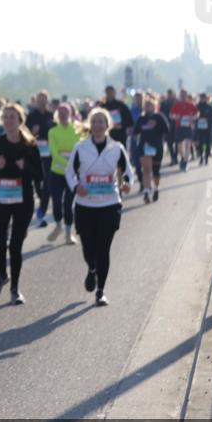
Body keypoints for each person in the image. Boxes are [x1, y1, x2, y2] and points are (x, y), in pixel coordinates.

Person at [65, 108, 135, 306]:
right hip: (85, 204)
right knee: (88, 247)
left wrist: (128, 183)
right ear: (89, 124)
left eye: (101, 122)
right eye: (94, 121)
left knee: (103, 248)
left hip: (109, 203)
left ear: (107, 125)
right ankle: (92, 269)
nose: (97, 125)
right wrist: (76, 186)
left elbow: (128, 171)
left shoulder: (116, 148)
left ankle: (101, 290)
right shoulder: (80, 148)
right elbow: (69, 172)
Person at [0, 104, 43, 304]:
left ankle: (15, 289)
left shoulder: (30, 144)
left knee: (15, 246)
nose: (9, 120)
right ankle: (3, 275)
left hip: (23, 200)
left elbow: (40, 175)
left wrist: (25, 167)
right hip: (1, 199)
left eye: (13, 117)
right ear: (2, 120)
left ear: (20, 120)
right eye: (6, 117)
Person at [46, 103, 82, 244]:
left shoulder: (78, 130)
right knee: (56, 203)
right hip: (57, 172)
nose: (62, 115)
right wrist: (69, 164)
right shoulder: (53, 132)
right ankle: (58, 226)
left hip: (73, 174)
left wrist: (75, 167)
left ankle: (68, 234)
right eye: (60, 113)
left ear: (71, 114)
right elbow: (54, 152)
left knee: (68, 204)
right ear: (56, 115)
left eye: (65, 112)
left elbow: (81, 149)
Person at [26, 90, 55, 228]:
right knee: (38, 183)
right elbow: (25, 135)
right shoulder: (31, 117)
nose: (42, 102)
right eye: (40, 99)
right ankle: (41, 201)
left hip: (49, 153)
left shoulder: (51, 116)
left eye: (44, 99)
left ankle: (41, 211)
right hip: (35, 152)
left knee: (48, 183)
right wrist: (32, 132)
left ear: (47, 101)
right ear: (36, 101)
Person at [134, 96, 170, 202]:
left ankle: (156, 188)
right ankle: (146, 192)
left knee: (155, 171)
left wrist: (156, 124)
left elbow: (167, 129)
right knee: (146, 169)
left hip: (157, 146)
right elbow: (135, 131)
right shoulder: (141, 118)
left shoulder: (159, 117)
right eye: (146, 105)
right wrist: (143, 127)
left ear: (155, 106)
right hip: (144, 146)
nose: (148, 107)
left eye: (150, 105)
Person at [169, 89, 199, 171]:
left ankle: (185, 163)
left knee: (187, 145)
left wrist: (193, 118)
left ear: (186, 96)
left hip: (188, 127)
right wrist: (175, 117)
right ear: (179, 96)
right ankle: (183, 157)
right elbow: (171, 115)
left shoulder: (190, 104)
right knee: (179, 147)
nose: (183, 97)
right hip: (179, 127)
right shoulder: (176, 105)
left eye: (184, 95)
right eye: (181, 95)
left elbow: (197, 113)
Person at [195, 92, 212, 165]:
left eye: (203, 98)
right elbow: (194, 116)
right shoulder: (197, 106)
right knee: (200, 144)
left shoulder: (209, 107)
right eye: (201, 98)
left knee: (207, 143)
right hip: (199, 128)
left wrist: (209, 121)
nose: (202, 99)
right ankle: (201, 157)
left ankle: (206, 158)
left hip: (208, 128)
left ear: (206, 98)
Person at [160, 89, 178, 165]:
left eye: (171, 94)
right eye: (168, 94)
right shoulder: (163, 103)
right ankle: (173, 158)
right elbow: (161, 114)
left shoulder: (177, 103)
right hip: (167, 125)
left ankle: (176, 157)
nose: (169, 95)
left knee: (177, 142)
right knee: (169, 143)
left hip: (176, 125)